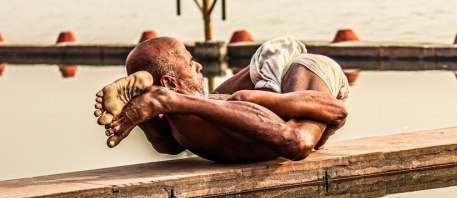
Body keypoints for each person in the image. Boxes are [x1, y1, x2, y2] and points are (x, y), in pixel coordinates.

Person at [94, 36, 349, 163]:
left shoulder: (184, 122)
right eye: (189, 63)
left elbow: (169, 147)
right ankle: (266, 93)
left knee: (236, 98)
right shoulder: (185, 119)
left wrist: (166, 103)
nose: (199, 67)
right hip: (278, 78)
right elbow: (298, 142)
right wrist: (162, 105)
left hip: (300, 68)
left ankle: (153, 94)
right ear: (169, 84)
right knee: (240, 99)